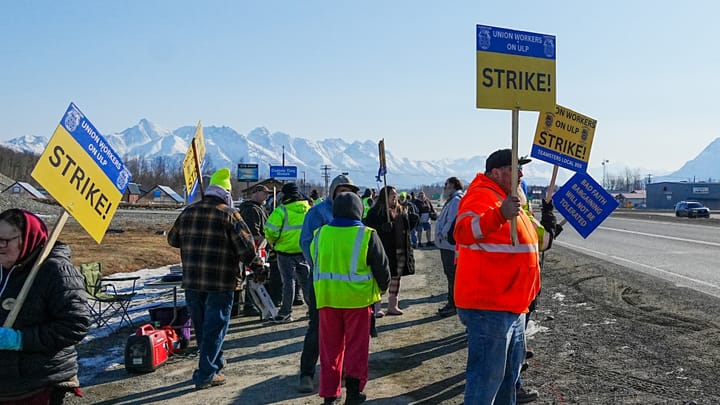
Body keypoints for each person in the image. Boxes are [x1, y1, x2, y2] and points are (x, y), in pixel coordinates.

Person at [454, 149, 557, 404]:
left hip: (514, 306)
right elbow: (463, 231)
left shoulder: (511, 201)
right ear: (497, 172)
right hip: (490, 306)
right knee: (486, 382)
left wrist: (550, 214)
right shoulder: (481, 196)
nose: (521, 174)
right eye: (515, 169)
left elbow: (539, 241)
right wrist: (499, 214)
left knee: (507, 382)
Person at [168, 168, 260, 390]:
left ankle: (216, 363)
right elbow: (246, 249)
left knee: (203, 328)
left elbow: (172, 240)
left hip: (192, 281)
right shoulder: (229, 214)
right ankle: (206, 373)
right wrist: (258, 267)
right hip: (220, 281)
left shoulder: (188, 212)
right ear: (226, 193)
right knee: (215, 327)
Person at [0, 209, 90, 405]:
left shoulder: (55, 270)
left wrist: (19, 339)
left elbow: (76, 325)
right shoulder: (3, 269)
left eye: (5, 241)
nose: (0, 246)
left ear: (28, 239)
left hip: (40, 383)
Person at [311, 192, 391, 405]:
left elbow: (315, 260)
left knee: (330, 350)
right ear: (359, 210)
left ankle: (330, 395)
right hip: (358, 301)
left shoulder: (319, 234)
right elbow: (382, 269)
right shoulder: (366, 234)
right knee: (356, 348)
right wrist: (381, 291)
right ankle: (354, 393)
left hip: (327, 300)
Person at [297, 174, 360, 393]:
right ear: (333, 191)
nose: (345, 194)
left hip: (348, 285)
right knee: (317, 328)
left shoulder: (356, 212)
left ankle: (339, 371)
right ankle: (306, 373)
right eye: (341, 190)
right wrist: (321, 266)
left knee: (344, 331)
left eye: (349, 191)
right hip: (322, 283)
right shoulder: (318, 213)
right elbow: (306, 243)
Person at [363, 185, 418, 316]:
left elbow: (406, 230)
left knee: (396, 278)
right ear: (384, 196)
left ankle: (393, 305)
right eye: (392, 194)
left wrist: (412, 220)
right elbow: (368, 229)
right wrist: (382, 227)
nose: (395, 196)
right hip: (383, 250)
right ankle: (376, 307)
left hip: (399, 249)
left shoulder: (401, 210)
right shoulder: (375, 212)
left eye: (395, 193)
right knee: (379, 278)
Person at [264, 182, 311, 323]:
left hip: (285, 252)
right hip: (304, 251)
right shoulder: (308, 209)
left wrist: (273, 242)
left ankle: (285, 312)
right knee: (307, 282)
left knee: (288, 282)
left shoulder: (281, 211)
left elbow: (270, 231)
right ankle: (313, 309)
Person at [237, 184, 272, 317]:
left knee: (254, 277)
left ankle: (252, 305)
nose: (266, 196)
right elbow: (253, 232)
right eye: (264, 193)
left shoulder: (260, 208)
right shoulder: (251, 210)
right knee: (253, 277)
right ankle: (250, 305)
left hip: (260, 247)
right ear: (256, 193)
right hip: (254, 248)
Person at [434, 176, 464, 317]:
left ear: (452, 186)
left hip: (449, 245)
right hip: (446, 244)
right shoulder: (451, 200)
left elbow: (452, 221)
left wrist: (443, 234)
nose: (444, 187)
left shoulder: (456, 201)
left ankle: (453, 304)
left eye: (446, 185)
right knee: (450, 274)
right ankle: (452, 302)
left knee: (452, 275)